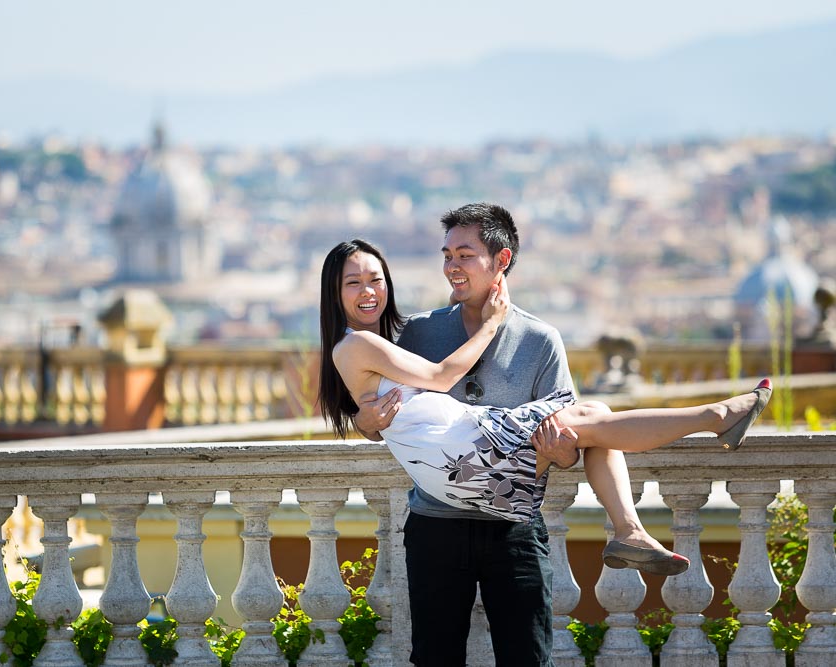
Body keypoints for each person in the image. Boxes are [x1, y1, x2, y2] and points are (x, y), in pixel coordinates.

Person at [325, 209, 770, 666]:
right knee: (436, 657)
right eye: (447, 255)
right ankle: (703, 432)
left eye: (465, 255)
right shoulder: (418, 331)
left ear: (502, 258)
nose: (451, 267)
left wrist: (563, 453)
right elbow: (404, 420)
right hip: (440, 522)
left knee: (528, 657)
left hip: (513, 524)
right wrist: (365, 422)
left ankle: (641, 515)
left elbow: (567, 445)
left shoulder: (540, 339)